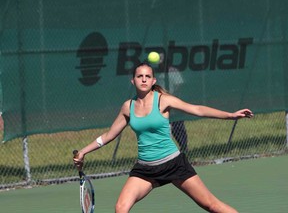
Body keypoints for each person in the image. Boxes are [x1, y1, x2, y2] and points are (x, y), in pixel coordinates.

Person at [73, 62, 253, 213]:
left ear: (153, 80)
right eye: (139, 76)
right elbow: (108, 135)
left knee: (211, 205)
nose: (143, 79)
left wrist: (230, 115)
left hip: (173, 164)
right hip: (145, 170)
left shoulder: (163, 100)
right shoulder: (128, 107)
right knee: (120, 208)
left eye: (147, 76)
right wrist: (83, 151)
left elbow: (197, 109)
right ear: (133, 80)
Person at [158, 53, 188, 152]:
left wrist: (172, 98)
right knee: (163, 127)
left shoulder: (173, 71)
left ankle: (184, 148)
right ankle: (166, 150)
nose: (159, 64)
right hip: (161, 102)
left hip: (174, 102)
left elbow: (180, 85)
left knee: (177, 126)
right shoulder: (158, 72)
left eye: (161, 62)